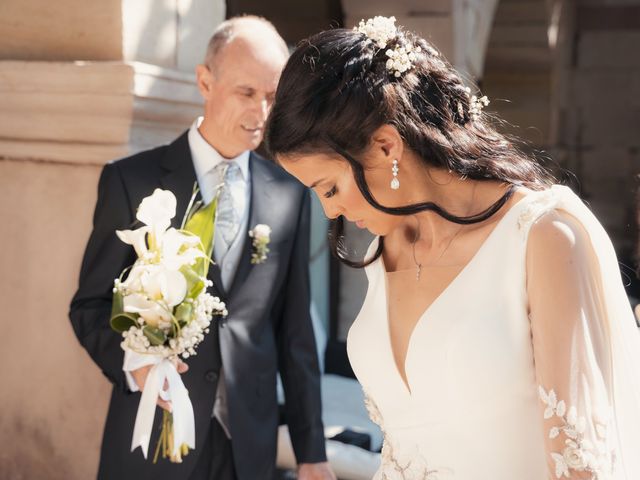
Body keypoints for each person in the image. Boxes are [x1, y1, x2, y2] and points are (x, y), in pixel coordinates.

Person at [265, 16, 640, 480]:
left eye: (330, 187)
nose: (330, 212)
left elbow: (580, 461)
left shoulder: (543, 237)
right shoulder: (386, 248)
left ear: (385, 147)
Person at [70, 16, 335, 480]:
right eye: (247, 93)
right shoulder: (132, 181)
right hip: (154, 439)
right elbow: (89, 306)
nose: (262, 113)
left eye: (273, 96)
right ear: (204, 82)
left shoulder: (289, 194)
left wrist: (311, 453)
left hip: (248, 448)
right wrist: (138, 367)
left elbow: (295, 335)